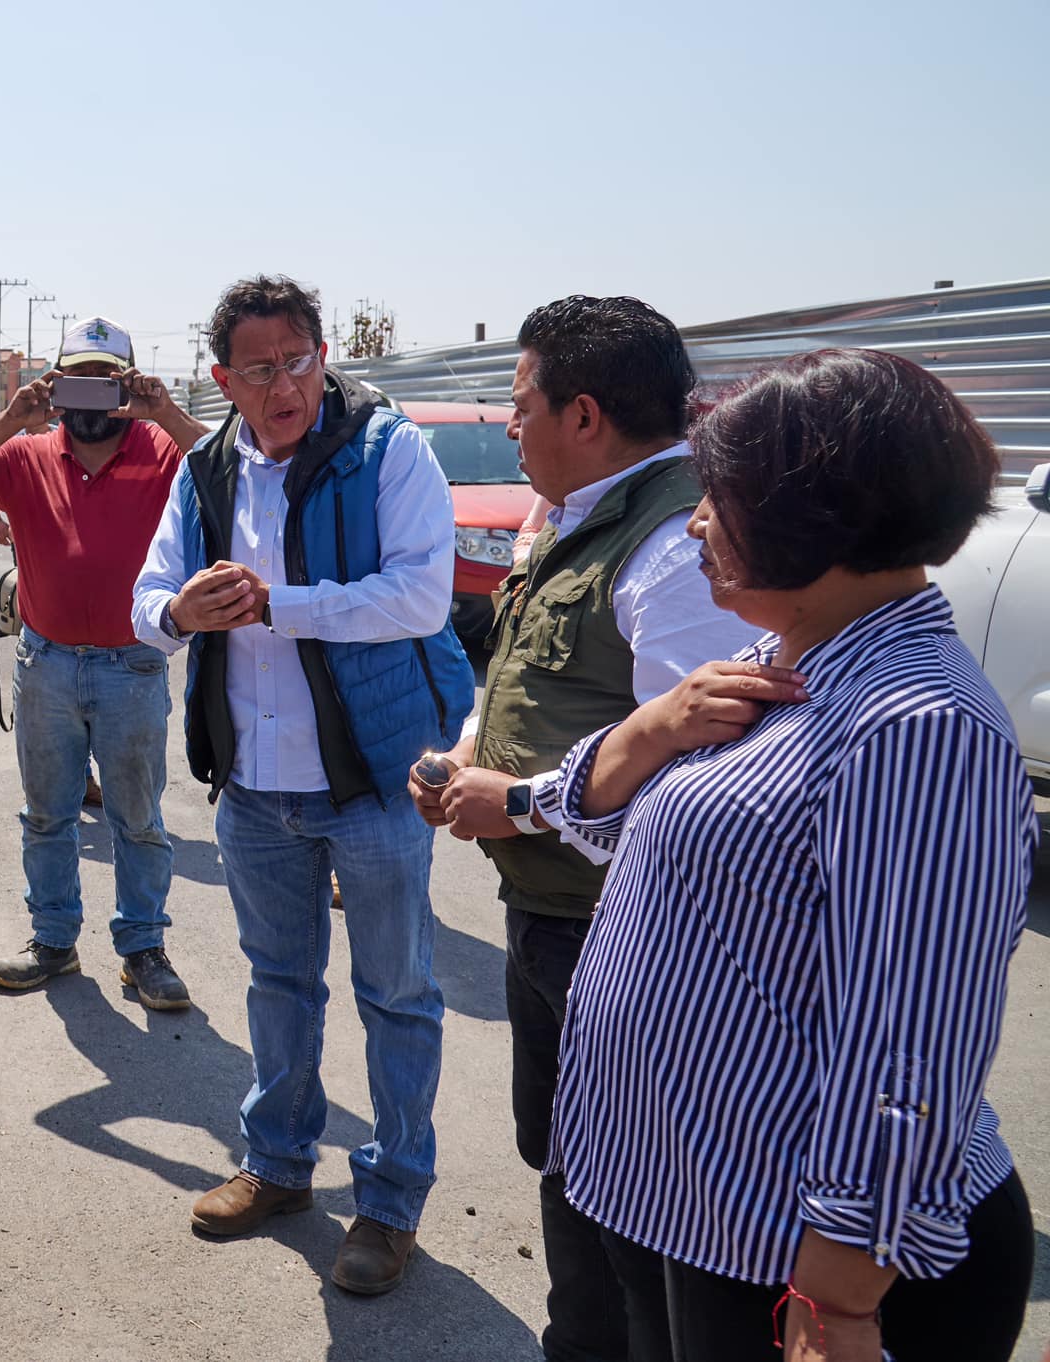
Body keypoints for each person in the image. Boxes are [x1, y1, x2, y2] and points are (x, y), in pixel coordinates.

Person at [546, 349, 1035, 1362]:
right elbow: (643, 838)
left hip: (798, 1264)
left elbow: (912, 1034)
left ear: (814, 513)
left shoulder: (915, 722)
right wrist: (647, 737)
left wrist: (839, 1300)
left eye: (716, 501)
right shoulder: (784, 664)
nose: (692, 525)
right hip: (696, 1203)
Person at [411, 296, 761, 1362]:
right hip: (551, 915)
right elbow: (542, 681)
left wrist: (513, 803)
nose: (508, 428)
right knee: (569, 1166)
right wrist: (472, 755)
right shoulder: (578, 513)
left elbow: (695, 794)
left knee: (626, 1204)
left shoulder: (672, 550)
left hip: (623, 939)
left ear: (584, 414)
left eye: (520, 407)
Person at [132, 275, 472, 1296]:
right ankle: (277, 1164)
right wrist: (183, 614)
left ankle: (388, 1202)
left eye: (296, 361)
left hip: (369, 777)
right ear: (219, 377)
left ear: (320, 356)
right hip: (253, 784)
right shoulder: (202, 471)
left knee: (396, 993)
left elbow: (418, 595)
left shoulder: (385, 449)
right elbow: (146, 602)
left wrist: (278, 605)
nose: (281, 385)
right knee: (276, 983)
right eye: (256, 368)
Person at [0, 316, 210, 1007]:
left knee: (138, 819)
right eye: (78, 380)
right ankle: (53, 941)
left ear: (126, 384)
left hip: (134, 664)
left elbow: (235, 471)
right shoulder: (27, 451)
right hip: (46, 664)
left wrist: (164, 410)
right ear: (57, 384)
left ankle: (144, 948)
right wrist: (10, 415)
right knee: (47, 814)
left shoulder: (161, 448)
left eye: (106, 382)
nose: (92, 397)